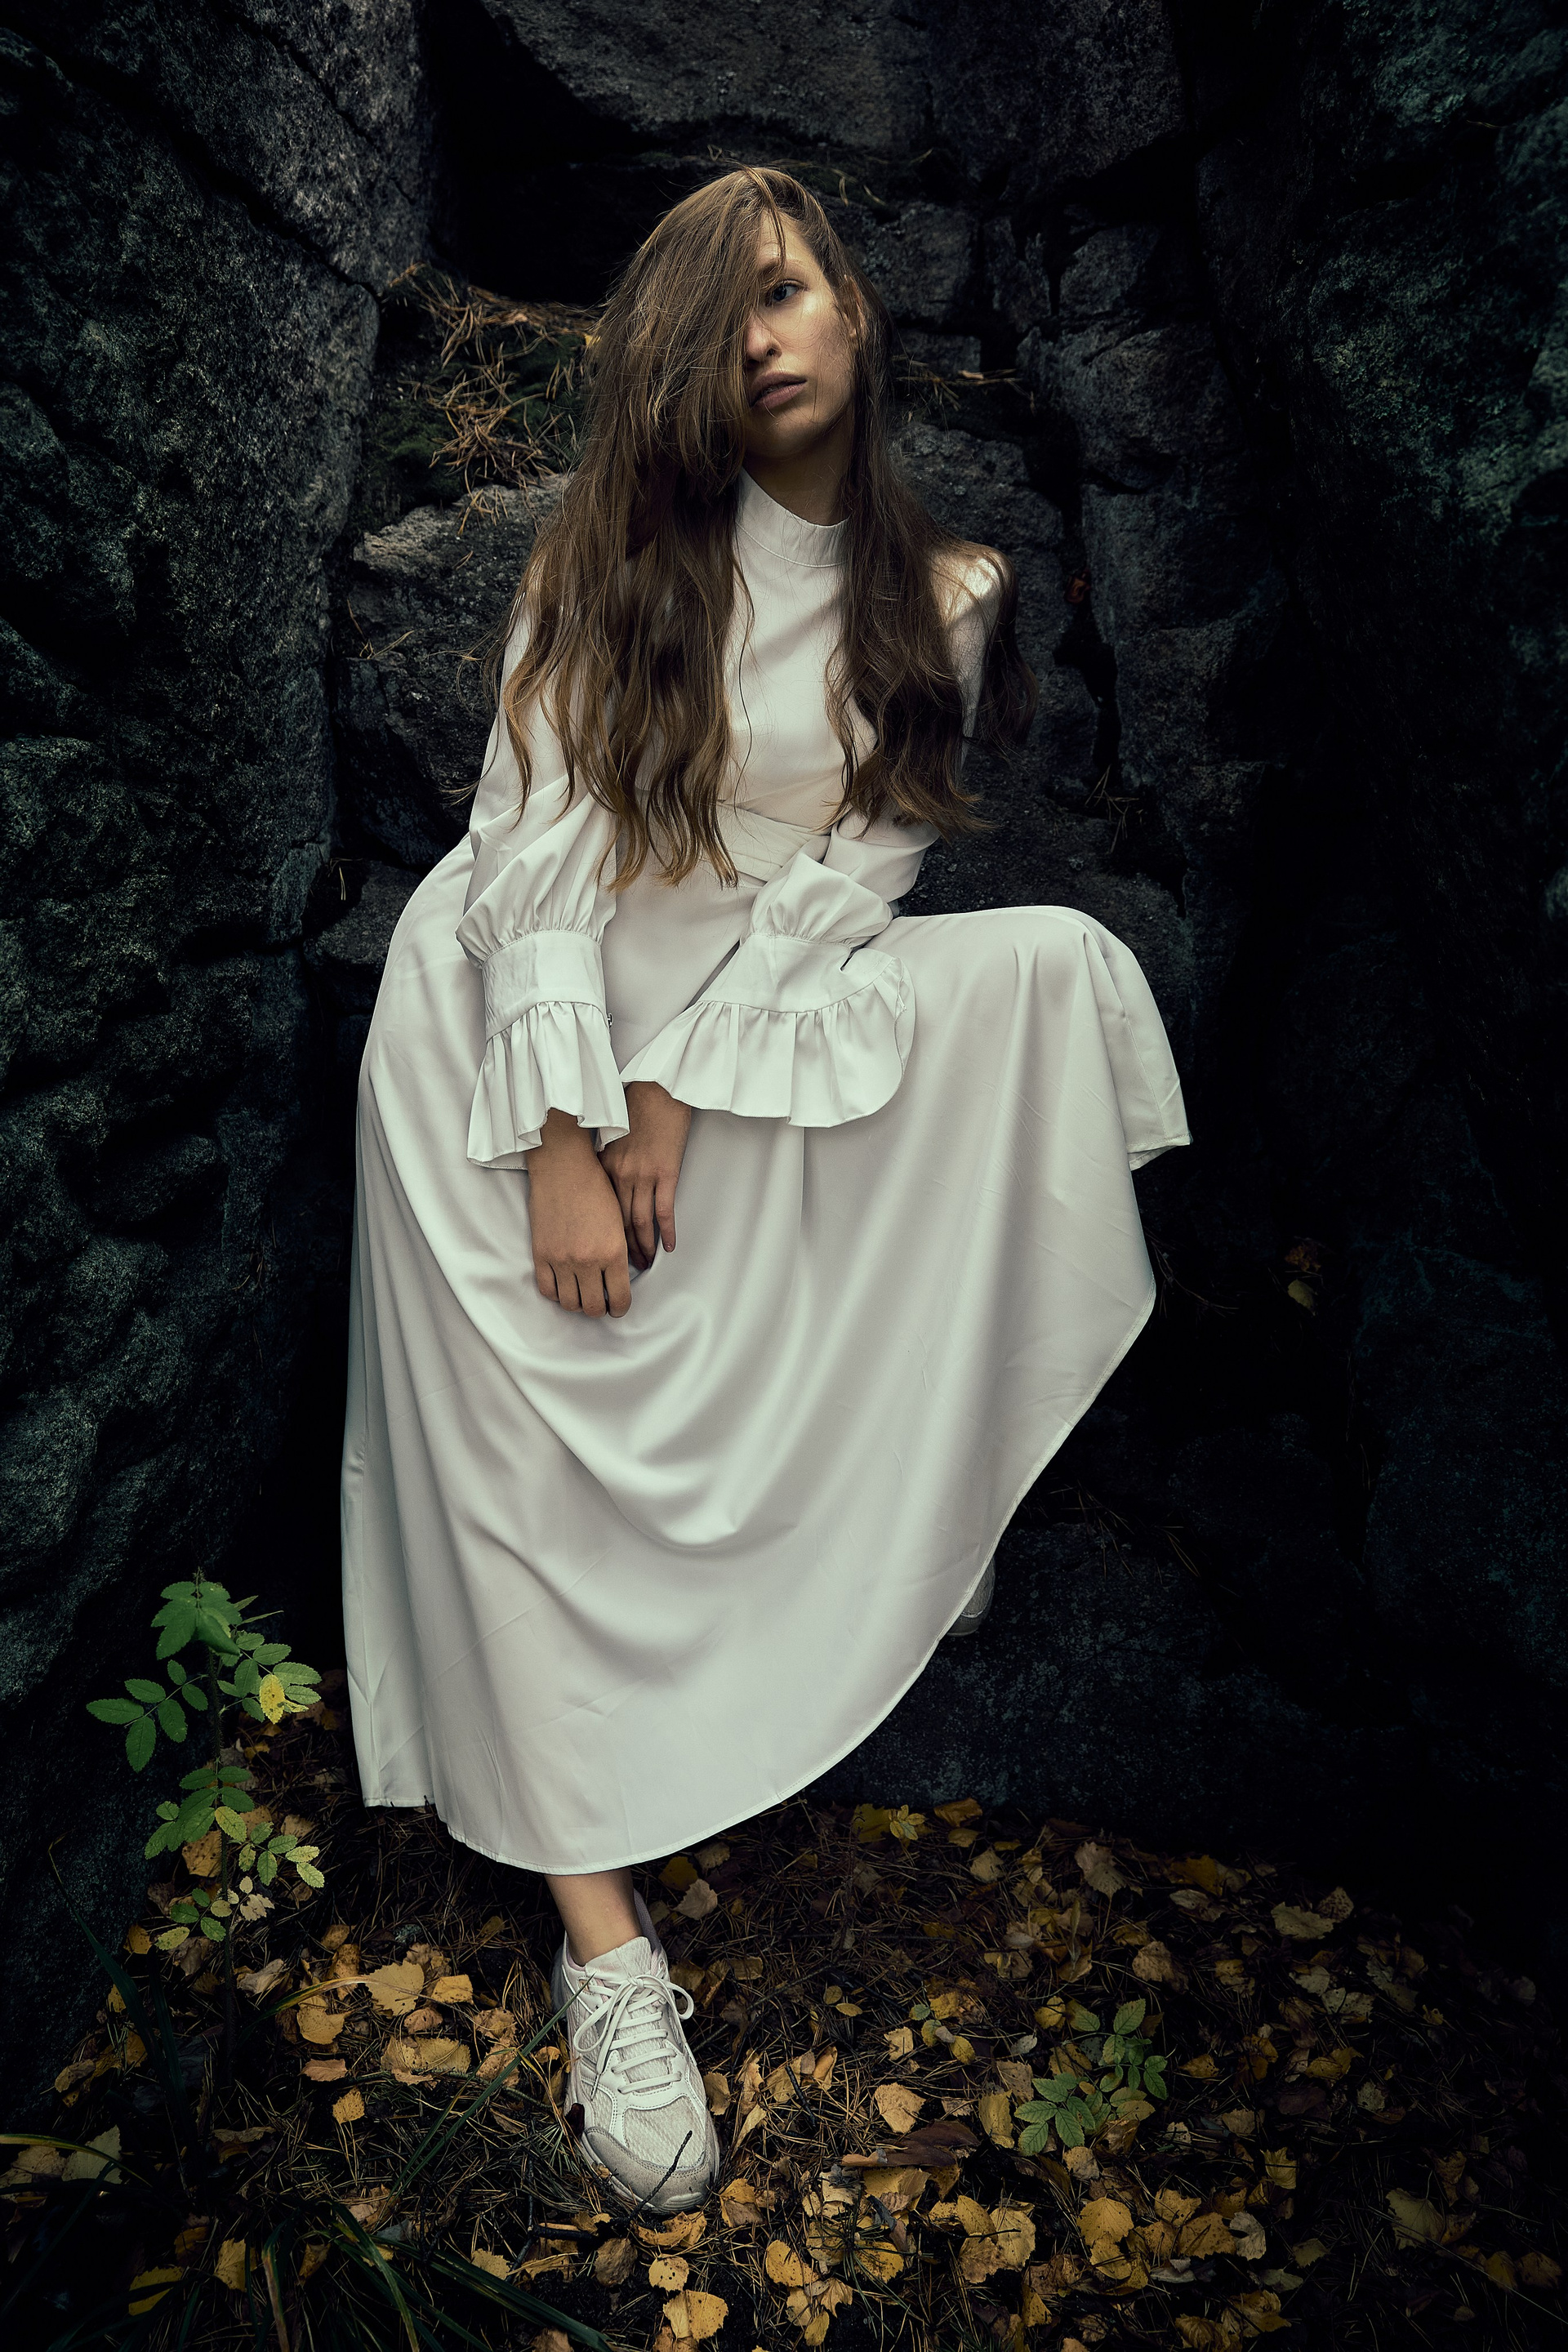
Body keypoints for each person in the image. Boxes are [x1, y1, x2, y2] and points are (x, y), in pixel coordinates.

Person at [341, 167, 1190, 2216]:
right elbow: (533, 845)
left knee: (1052, 973)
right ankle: (605, 1949)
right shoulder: (613, 556)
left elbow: (843, 894)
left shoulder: (947, 594)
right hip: (499, 1026)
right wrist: (565, 1128)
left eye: (792, 291)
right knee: (522, 1429)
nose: (764, 335)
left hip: (723, 1026)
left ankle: (901, 1467)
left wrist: (670, 1101)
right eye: (724, 315)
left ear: (857, 311)